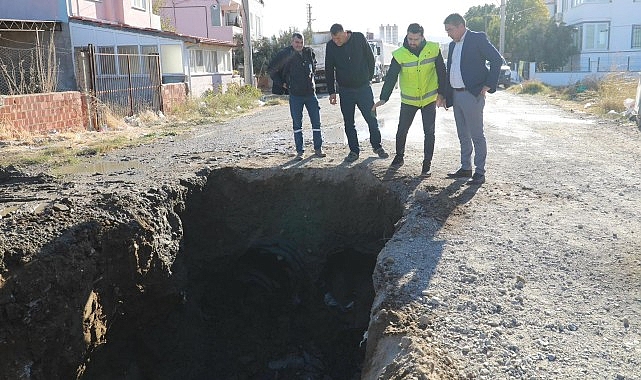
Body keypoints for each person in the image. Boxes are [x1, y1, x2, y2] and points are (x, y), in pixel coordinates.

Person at [372, 23, 447, 177]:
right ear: (406, 36)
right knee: (402, 131)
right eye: (410, 38)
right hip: (409, 101)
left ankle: (427, 165)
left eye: (416, 39)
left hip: (428, 99)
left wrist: (442, 94)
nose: (412, 42)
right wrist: (383, 98)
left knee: (429, 132)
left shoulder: (433, 49)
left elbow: (441, 72)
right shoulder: (400, 54)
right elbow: (391, 76)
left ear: (422, 37)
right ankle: (399, 158)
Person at [437, 13, 503, 185]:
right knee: (462, 134)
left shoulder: (477, 39)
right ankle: (465, 168)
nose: (448, 33)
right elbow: (449, 70)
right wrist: (445, 94)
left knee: (476, 135)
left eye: (450, 29)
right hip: (456, 95)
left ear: (460, 26)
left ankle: (480, 172)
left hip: (472, 94)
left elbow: (497, 59)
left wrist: (489, 84)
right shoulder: (452, 45)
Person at [325, 23, 389, 162]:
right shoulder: (331, 46)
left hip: (363, 89)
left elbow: (370, 59)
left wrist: (368, 78)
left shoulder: (359, 38)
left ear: (344, 33)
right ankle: (354, 151)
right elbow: (329, 69)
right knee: (349, 123)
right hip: (345, 90)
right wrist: (332, 92)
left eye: (338, 38)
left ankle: (377, 146)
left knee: (371, 118)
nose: (336, 42)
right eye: (333, 39)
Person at [268, 32, 325, 160]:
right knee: (297, 124)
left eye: (301, 42)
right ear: (292, 42)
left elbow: (313, 65)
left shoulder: (308, 52)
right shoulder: (285, 54)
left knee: (316, 122)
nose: (299, 45)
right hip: (295, 95)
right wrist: (282, 83)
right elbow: (271, 69)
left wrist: (311, 75)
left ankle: (318, 148)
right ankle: (300, 151)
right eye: (296, 42)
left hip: (311, 94)